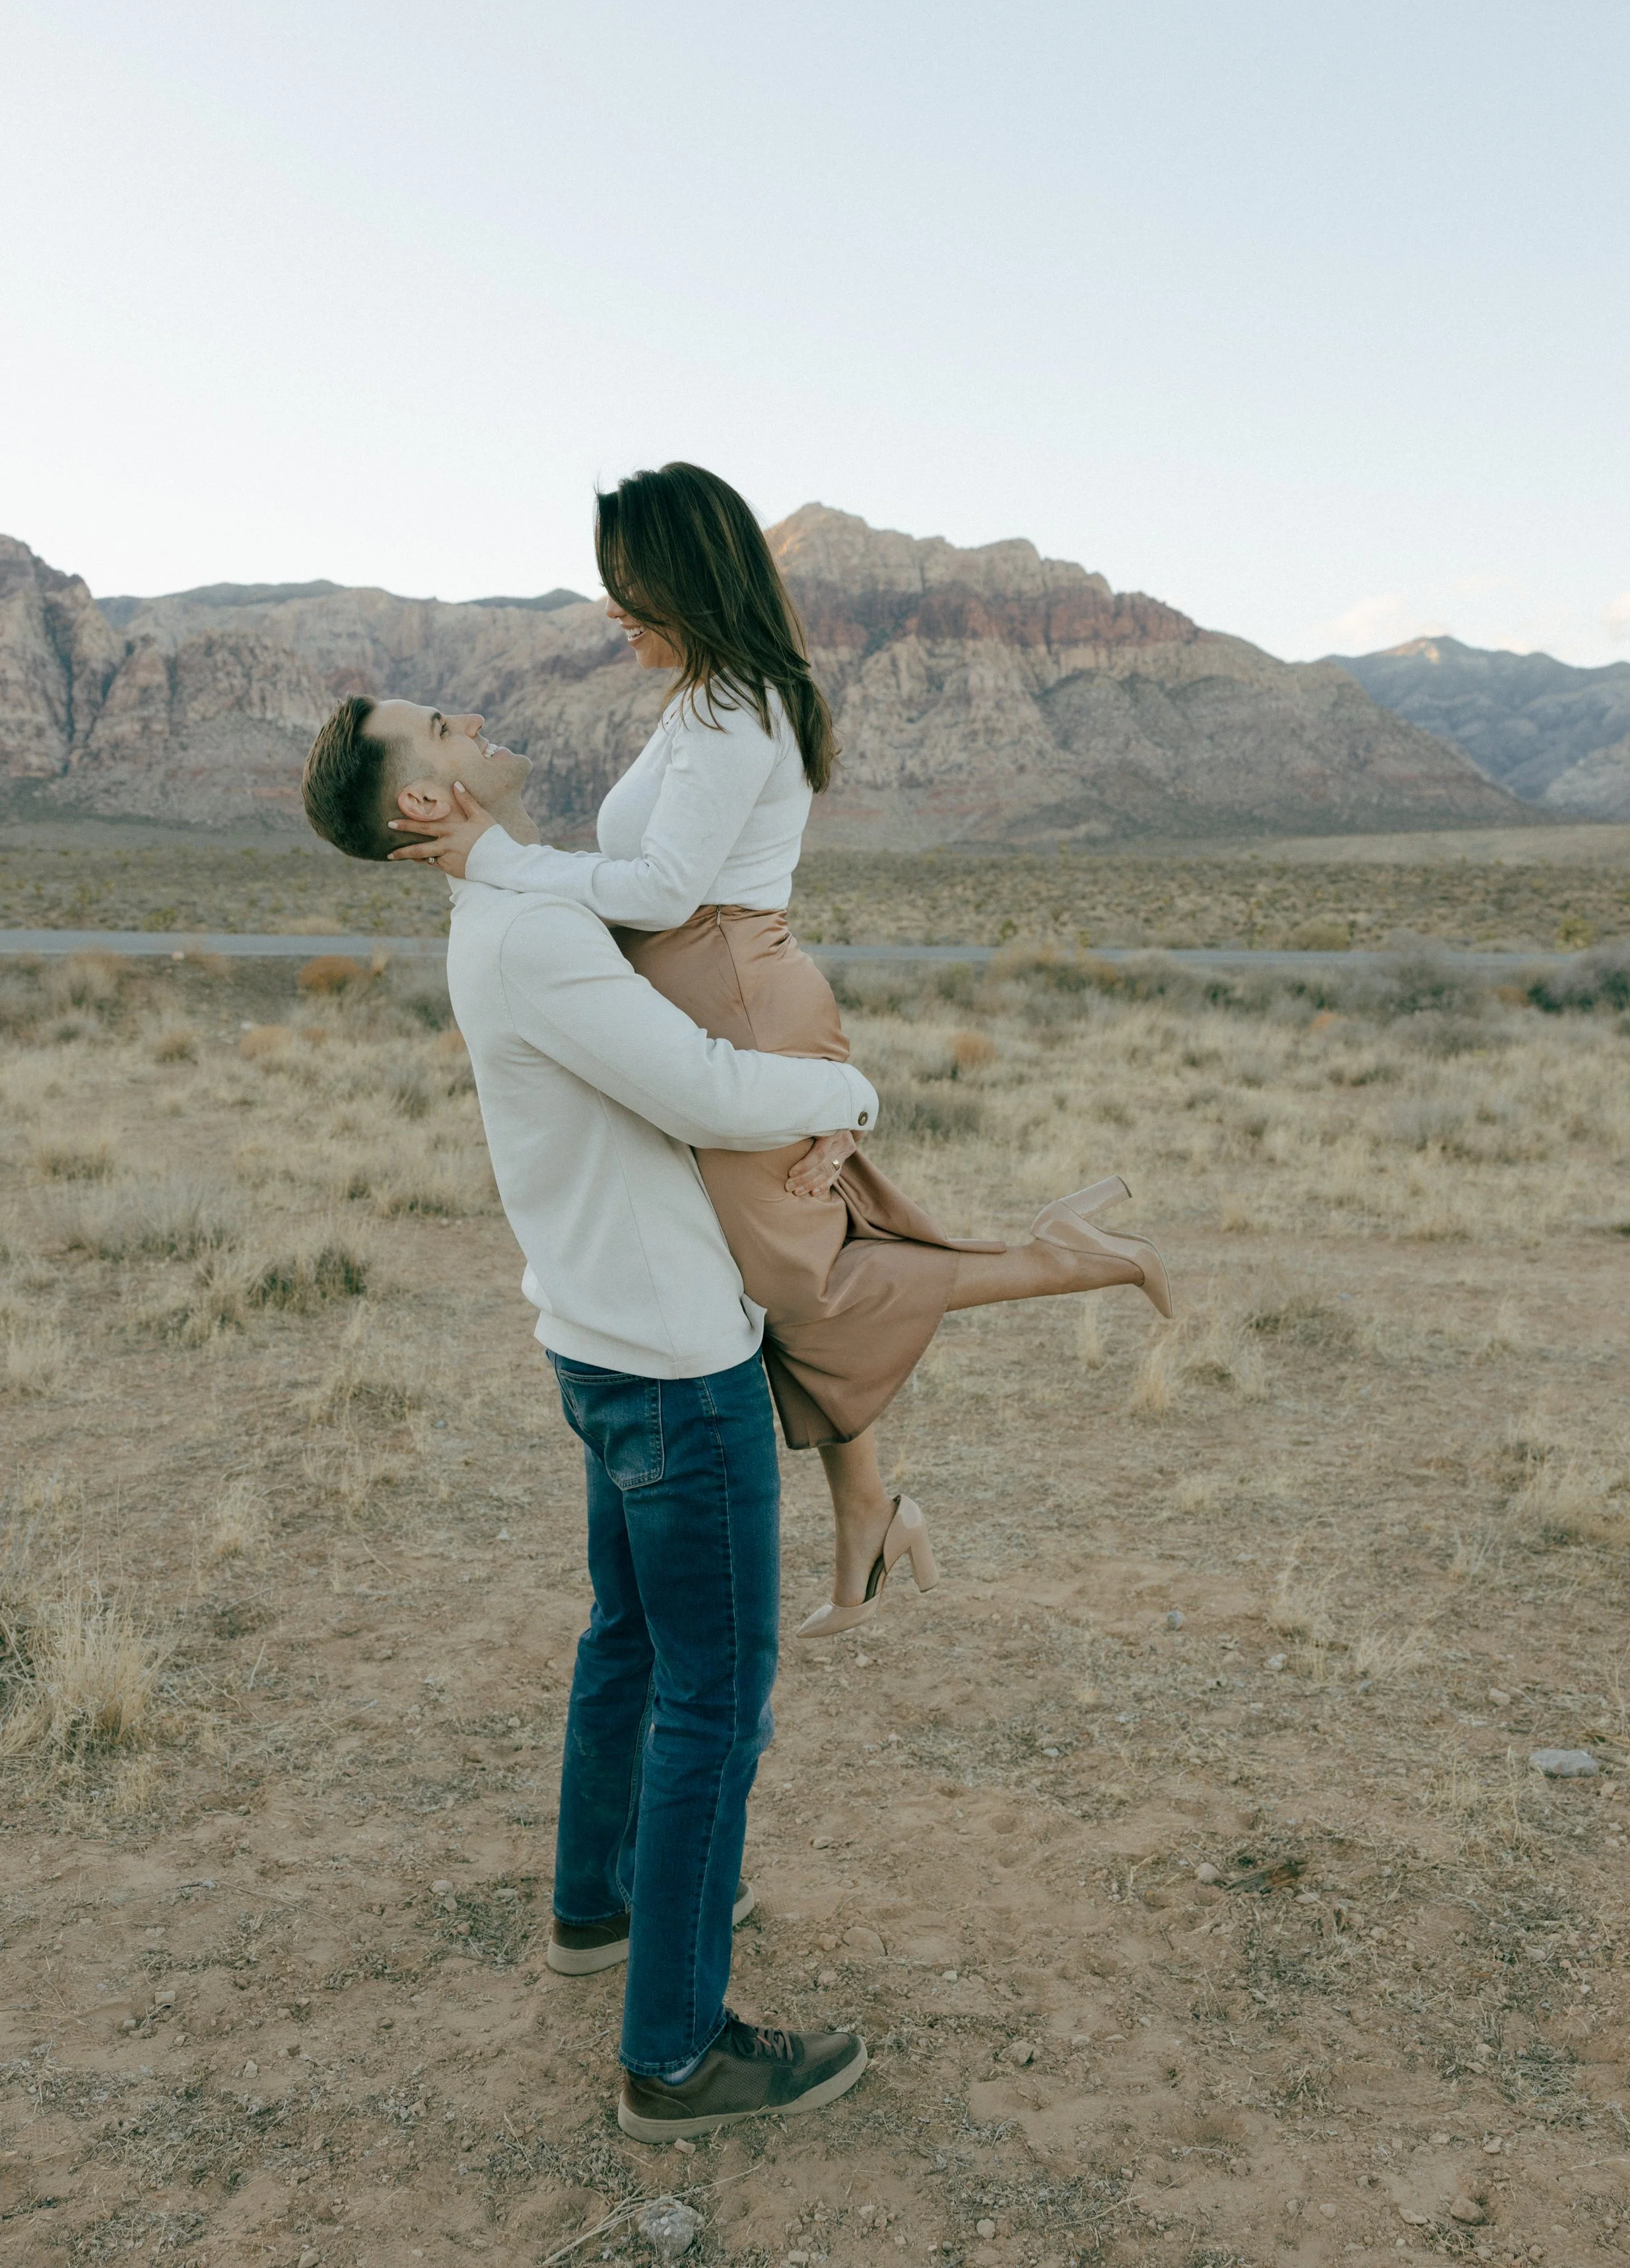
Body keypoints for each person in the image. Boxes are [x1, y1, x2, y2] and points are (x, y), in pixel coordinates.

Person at [388, 462, 1172, 1637]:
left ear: (682, 583)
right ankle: (867, 1508)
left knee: (806, 1279)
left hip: (735, 997)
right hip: (715, 984)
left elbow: (659, 887)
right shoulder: (711, 697)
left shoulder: (732, 707)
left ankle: (1065, 1257)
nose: (611, 611)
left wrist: (497, 862)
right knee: (769, 1278)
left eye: (625, 586)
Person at [300, 695, 877, 2140]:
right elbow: (700, 1091)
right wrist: (846, 1084)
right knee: (712, 1705)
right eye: (437, 723)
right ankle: (676, 2057)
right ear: (422, 807)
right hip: (672, 1369)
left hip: (603, 1346)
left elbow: (634, 898)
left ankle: (595, 1906)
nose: (470, 716)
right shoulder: (534, 935)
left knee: (628, 1641)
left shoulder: (524, 905)